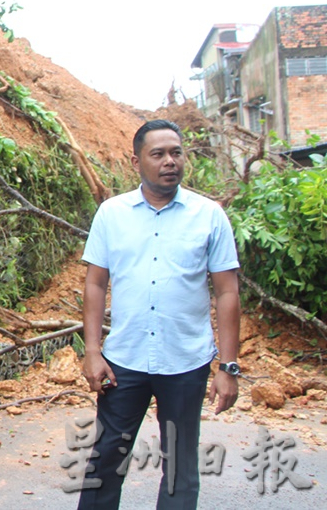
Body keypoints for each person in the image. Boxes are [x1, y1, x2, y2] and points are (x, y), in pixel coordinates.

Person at [77, 119, 241, 509]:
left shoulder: (209, 215)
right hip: (124, 360)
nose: (170, 161)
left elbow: (227, 290)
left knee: (181, 467)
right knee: (105, 461)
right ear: (137, 161)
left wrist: (228, 366)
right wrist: (92, 351)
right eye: (158, 154)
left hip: (186, 361)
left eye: (176, 153)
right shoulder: (112, 214)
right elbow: (95, 284)